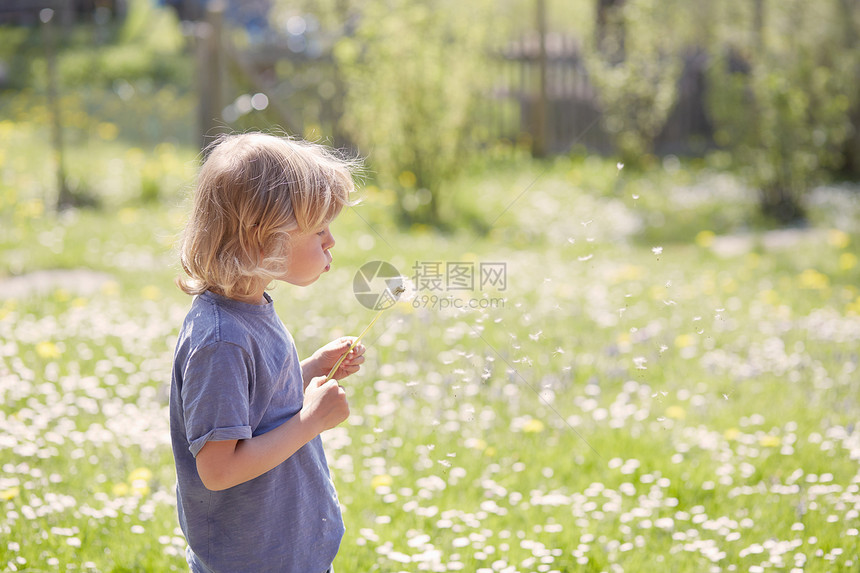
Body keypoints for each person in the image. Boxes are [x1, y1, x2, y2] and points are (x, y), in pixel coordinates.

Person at [169, 132, 365, 573]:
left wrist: (312, 369)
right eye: (319, 230)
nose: (330, 241)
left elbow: (252, 405)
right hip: (253, 561)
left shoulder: (248, 308)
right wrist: (310, 420)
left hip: (283, 550)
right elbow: (219, 469)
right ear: (264, 241)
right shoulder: (221, 340)